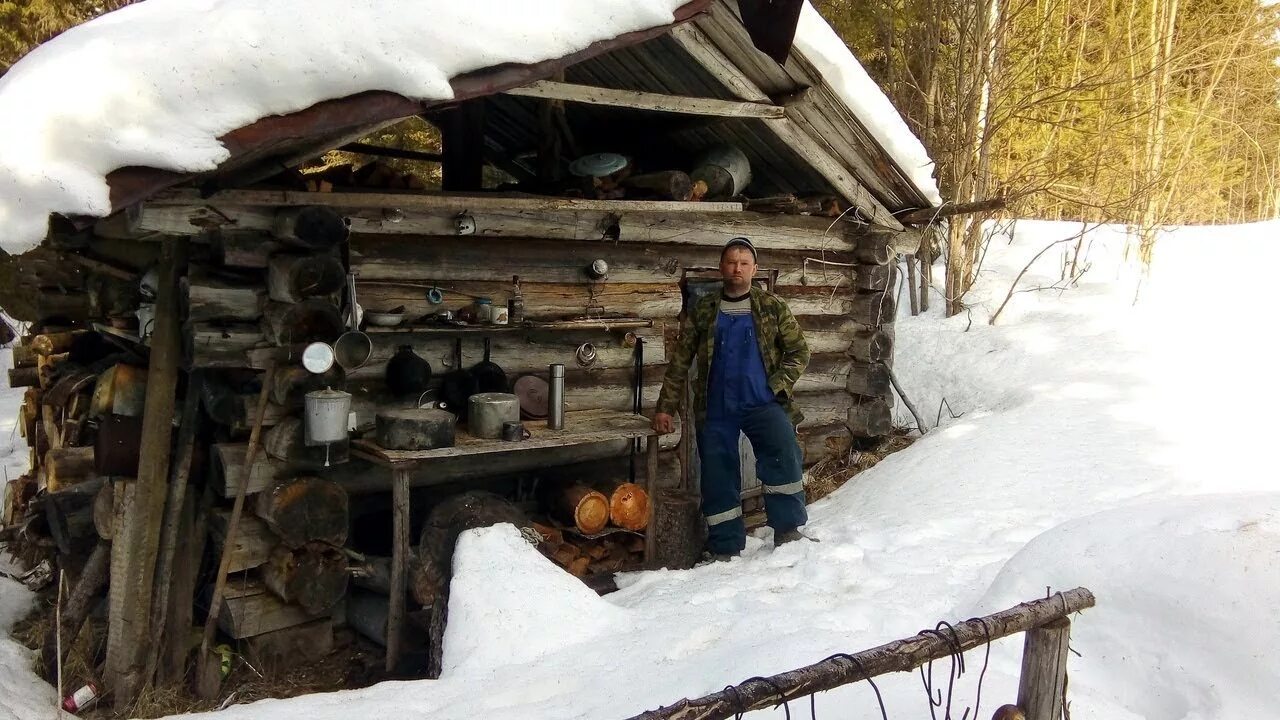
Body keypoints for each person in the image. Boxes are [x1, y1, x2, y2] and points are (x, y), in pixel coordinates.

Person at [653, 236, 812, 558]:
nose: (736, 268)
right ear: (721, 267)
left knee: (783, 457)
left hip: (763, 402)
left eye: (743, 263)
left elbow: (799, 351)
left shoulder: (772, 306)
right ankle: (725, 545)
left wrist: (776, 385)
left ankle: (788, 529)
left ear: (754, 269)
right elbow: (680, 361)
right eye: (731, 262)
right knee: (717, 472)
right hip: (717, 406)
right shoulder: (705, 309)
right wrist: (665, 408)